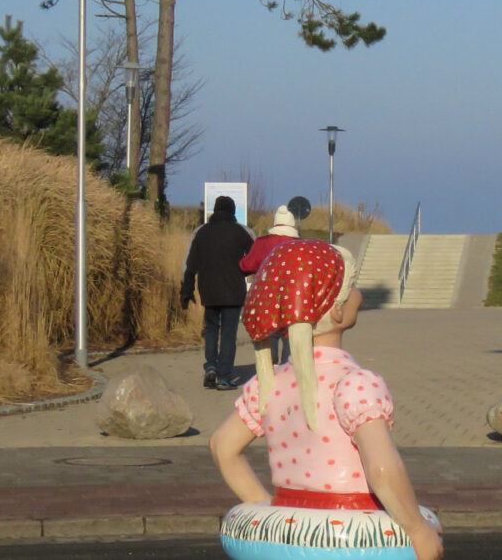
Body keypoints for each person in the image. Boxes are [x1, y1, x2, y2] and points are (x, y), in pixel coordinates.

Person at [210, 239, 443, 560]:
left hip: (285, 528)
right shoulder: (356, 384)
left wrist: (265, 507)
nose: (358, 295)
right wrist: (417, 528)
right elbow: (383, 470)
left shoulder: (269, 382)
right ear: (336, 310)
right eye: (353, 288)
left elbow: (222, 447)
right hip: (347, 536)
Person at [181, 195, 255, 390]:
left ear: (215, 210)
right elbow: (255, 260)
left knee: (212, 329)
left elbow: (190, 265)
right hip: (233, 291)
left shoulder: (202, 232)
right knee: (229, 333)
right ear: (232, 212)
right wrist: (245, 272)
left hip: (209, 291)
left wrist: (186, 291)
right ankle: (223, 377)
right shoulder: (242, 233)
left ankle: (211, 366)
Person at [240, 205, 302, 365]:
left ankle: (272, 371)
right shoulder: (300, 245)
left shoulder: (262, 243)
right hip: (293, 298)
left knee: (270, 335)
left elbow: (246, 266)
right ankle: (288, 370)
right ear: (292, 225)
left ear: (275, 223)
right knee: (291, 336)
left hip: (267, 298)